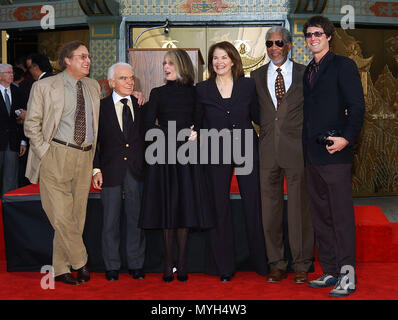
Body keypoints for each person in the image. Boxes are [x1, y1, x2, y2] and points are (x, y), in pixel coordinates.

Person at [24, 41, 101, 285]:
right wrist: (45, 152)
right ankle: (81, 260)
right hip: (55, 154)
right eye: (82, 57)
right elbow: (31, 124)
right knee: (60, 214)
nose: (87, 61)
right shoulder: (45, 86)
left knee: (76, 216)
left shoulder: (93, 86)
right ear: (67, 60)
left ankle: (60, 268)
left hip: (84, 156)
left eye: (88, 57)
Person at [195, 41, 268, 282]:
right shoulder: (202, 89)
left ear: (234, 60)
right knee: (219, 206)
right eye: (215, 58)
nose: (219, 62)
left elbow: (260, 115)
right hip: (215, 150)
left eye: (224, 57)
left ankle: (261, 262)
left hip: (246, 147)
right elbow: (197, 120)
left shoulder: (248, 85)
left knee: (253, 204)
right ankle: (223, 266)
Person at [302, 16, 365, 297]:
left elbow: (357, 107)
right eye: (308, 34)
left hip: (336, 155)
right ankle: (329, 269)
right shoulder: (308, 71)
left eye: (318, 33)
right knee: (321, 217)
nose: (313, 38)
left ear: (329, 36)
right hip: (313, 156)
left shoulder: (344, 65)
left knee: (340, 217)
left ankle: (347, 274)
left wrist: (346, 139)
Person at [139, 49, 214, 282]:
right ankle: (168, 262)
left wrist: (198, 134)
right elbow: (147, 127)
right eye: (164, 63)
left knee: (185, 209)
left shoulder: (195, 93)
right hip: (163, 157)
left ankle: (182, 263)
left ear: (182, 65)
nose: (165, 67)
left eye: (170, 63)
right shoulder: (157, 93)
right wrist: (176, 134)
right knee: (168, 209)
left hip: (188, 157)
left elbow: (203, 122)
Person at [251, 27, 314, 284]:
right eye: (269, 44)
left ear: (288, 45)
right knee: (270, 210)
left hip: (297, 149)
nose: (274, 48)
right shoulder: (255, 76)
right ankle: (276, 263)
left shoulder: (304, 73)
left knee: (300, 208)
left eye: (278, 43)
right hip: (267, 150)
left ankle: (301, 263)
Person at [92, 62, 146, 281]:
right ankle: (111, 265)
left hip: (136, 171)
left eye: (131, 77)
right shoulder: (100, 107)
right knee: (110, 221)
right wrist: (95, 169)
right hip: (110, 171)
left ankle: (136, 264)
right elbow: (94, 141)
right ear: (111, 82)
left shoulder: (141, 104)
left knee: (136, 219)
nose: (129, 82)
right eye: (123, 78)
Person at [0, 64, 27, 196]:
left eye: (12, 72)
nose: (12, 75)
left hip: (13, 140)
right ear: (0, 76)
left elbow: (23, 117)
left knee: (11, 178)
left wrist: (23, 140)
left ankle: (7, 205)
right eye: (8, 73)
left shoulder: (18, 91)